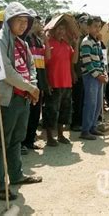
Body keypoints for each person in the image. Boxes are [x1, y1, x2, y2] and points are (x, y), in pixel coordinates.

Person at [0, 2, 42, 201]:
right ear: (9, 20)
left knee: (17, 139)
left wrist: (32, 86)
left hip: (23, 96)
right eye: (19, 20)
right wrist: (31, 88)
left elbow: (31, 67)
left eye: (25, 21)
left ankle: (16, 175)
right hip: (5, 98)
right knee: (1, 141)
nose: (23, 24)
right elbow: (7, 72)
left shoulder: (23, 43)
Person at [42, 17, 76, 146]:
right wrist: (47, 83)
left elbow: (73, 60)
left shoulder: (67, 45)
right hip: (53, 83)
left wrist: (76, 44)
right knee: (51, 110)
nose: (61, 31)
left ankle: (61, 134)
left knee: (64, 110)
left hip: (66, 83)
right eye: (59, 29)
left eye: (63, 29)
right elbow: (44, 66)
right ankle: (50, 137)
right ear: (53, 30)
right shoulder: (48, 44)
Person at [23, 9, 49, 151]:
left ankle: (30, 140)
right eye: (33, 20)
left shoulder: (38, 40)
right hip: (29, 82)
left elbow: (46, 59)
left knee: (35, 113)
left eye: (38, 20)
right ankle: (23, 142)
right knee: (27, 113)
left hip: (39, 79)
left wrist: (45, 39)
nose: (37, 23)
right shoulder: (24, 39)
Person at [79, 16, 108, 140]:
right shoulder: (86, 42)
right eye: (95, 26)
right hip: (90, 76)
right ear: (89, 27)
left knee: (97, 104)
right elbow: (87, 62)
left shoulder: (96, 41)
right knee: (90, 103)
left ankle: (92, 127)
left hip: (99, 76)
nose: (97, 29)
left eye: (99, 27)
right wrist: (98, 75)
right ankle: (85, 130)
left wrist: (104, 73)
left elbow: (101, 59)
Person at [70, 14, 89, 132]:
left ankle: (83, 121)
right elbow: (71, 57)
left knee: (84, 99)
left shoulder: (89, 37)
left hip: (87, 73)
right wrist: (72, 72)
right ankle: (75, 123)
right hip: (77, 72)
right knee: (77, 99)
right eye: (85, 22)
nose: (87, 25)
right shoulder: (75, 37)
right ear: (80, 23)